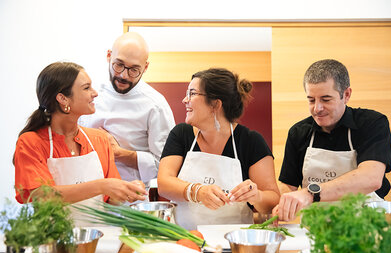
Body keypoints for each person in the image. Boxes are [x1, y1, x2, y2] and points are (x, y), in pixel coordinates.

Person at [14, 62, 147, 226]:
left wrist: (127, 190)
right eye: (86, 88)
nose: (95, 93)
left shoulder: (99, 139)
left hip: (97, 239)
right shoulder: (30, 143)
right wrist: (102, 186)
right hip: (53, 241)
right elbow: (42, 196)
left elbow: (110, 200)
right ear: (62, 98)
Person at [157, 68, 280, 230]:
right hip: (186, 238)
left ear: (215, 104)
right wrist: (197, 191)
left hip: (235, 242)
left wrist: (256, 196)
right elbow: (164, 184)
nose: (184, 100)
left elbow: (273, 200)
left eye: (192, 94)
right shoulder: (181, 134)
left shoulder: (251, 141)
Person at [276, 59, 391, 222]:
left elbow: (371, 178)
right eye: (311, 100)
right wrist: (286, 203)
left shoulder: (372, 123)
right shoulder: (298, 133)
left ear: (346, 95)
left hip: (366, 227)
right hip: (316, 228)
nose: (317, 108)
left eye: (325, 99)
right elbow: (288, 185)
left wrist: (310, 193)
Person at [79, 32, 175, 185]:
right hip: (90, 191)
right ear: (109, 56)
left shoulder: (155, 105)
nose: (124, 75)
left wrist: (120, 154)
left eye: (134, 70)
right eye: (118, 65)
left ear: (146, 67)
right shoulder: (89, 94)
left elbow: (166, 165)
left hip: (133, 199)